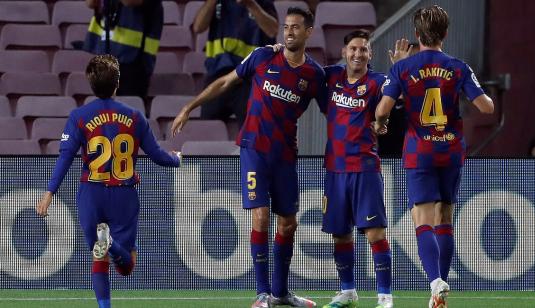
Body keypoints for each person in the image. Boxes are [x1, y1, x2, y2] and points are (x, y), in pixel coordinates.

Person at [172, 7, 325, 308]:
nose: (290, 32)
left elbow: (332, 112)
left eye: (296, 27)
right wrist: (189, 107)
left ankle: (281, 293)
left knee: (289, 224)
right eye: (286, 27)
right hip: (254, 149)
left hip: (285, 155)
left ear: (309, 32)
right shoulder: (263, 57)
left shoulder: (314, 75)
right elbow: (227, 81)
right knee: (261, 216)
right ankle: (261, 293)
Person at [36, 55, 181, 308]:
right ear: (117, 84)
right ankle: (112, 243)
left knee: (98, 255)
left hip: (92, 194)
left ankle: (105, 305)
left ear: (91, 85)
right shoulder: (135, 117)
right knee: (126, 267)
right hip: (123, 195)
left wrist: (50, 192)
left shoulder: (79, 116)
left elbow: (65, 157)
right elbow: (157, 156)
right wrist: (177, 160)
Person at [374, 5, 494, 308]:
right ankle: (437, 292)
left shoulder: (403, 68)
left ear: (417, 34)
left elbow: (382, 108)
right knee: (445, 216)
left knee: (421, 216)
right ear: (446, 33)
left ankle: (435, 281)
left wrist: (381, 124)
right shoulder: (458, 67)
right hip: (451, 150)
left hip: (420, 151)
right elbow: (487, 108)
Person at [320, 30, 393, 308]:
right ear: (344, 52)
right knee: (340, 233)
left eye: (363, 49)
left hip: (365, 168)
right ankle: (348, 291)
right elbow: (302, 68)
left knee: (375, 233)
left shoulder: (378, 82)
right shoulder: (331, 77)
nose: (358, 54)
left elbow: (391, 96)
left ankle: (385, 296)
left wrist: (398, 69)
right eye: (353, 49)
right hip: (334, 169)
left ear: (370, 55)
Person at [193, 0, 278, 127]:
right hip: (217, 76)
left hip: (250, 78)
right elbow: (198, 27)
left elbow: (273, 30)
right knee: (207, 129)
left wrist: (251, 4)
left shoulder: (262, 2)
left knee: (252, 133)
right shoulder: (217, 3)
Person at [83, 0, 163, 99]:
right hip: (106, 55)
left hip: (135, 61)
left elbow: (129, 2)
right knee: (105, 109)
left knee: (128, 109)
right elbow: (91, 3)